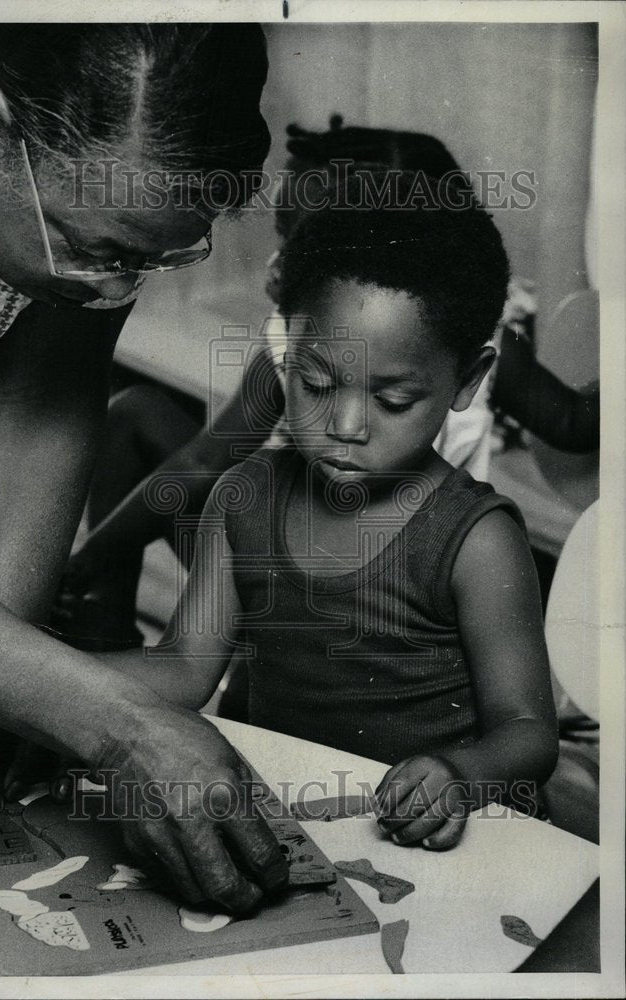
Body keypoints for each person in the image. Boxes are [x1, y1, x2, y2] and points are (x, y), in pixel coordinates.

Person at [100, 173, 559, 850]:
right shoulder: (245, 493)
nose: (345, 424)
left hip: (442, 842)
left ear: (466, 382)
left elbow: (527, 732)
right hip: (306, 828)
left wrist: (459, 774)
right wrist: (39, 685)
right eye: (315, 383)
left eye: (393, 401)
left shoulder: (476, 540)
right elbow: (185, 667)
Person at [0, 22, 289, 912]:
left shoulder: (90, 220)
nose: (119, 291)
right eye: (104, 249)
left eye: (159, 256)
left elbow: (38, 420)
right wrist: (110, 722)